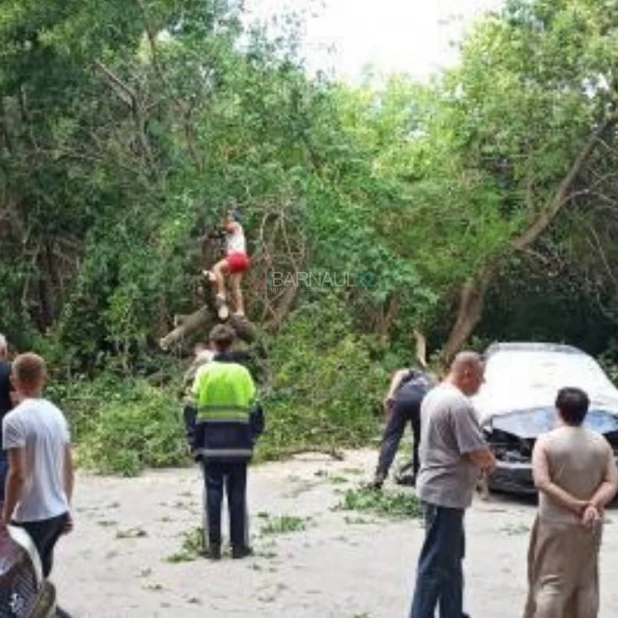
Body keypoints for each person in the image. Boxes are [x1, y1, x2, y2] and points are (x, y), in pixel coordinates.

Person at [409, 351, 496, 618]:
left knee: (451, 560)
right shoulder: (458, 404)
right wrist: (492, 462)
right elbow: (475, 450)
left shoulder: (435, 394)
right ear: (467, 374)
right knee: (436, 564)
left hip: (444, 491)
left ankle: (453, 612)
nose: (482, 384)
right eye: (480, 378)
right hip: (444, 493)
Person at [522, 387, 618, 618]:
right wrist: (592, 506)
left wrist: (576, 505)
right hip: (591, 523)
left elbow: (542, 482)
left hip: (555, 523)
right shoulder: (601, 443)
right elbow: (612, 482)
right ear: (585, 412)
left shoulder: (546, 442)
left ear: (558, 410)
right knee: (585, 581)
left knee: (552, 583)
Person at [1, 353, 74, 616]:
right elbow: (68, 468)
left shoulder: (14, 420)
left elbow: (18, 474)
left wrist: (5, 516)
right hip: (54, 513)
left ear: (14, 379)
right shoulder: (56, 414)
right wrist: (66, 507)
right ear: (43, 378)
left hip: (29, 516)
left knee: (23, 594)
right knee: (38, 584)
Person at [191, 324, 262, 560]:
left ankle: (212, 547)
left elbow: (191, 409)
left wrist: (194, 440)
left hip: (211, 445)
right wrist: (252, 436)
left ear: (212, 344)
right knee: (237, 494)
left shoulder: (204, 373)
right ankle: (239, 546)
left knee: (212, 493)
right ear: (233, 344)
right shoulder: (242, 373)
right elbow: (255, 409)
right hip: (239, 445)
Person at [370, 367, 435, 490]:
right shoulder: (434, 382)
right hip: (425, 400)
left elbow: (399, 374)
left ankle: (381, 473)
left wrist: (391, 394)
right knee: (420, 441)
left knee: (391, 437)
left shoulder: (414, 372)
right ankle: (418, 477)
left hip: (404, 398)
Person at [203, 210, 251, 320]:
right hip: (243, 259)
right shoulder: (234, 231)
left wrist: (216, 227)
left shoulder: (235, 225)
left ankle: (221, 294)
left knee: (216, 268)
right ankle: (241, 311)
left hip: (237, 257)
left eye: (229, 216)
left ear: (234, 218)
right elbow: (221, 234)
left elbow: (225, 228)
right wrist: (213, 235)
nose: (227, 217)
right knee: (235, 286)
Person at [0, 334, 14, 505]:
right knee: (5, 460)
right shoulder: (9, 370)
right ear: (4, 351)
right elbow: (16, 400)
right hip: (5, 422)